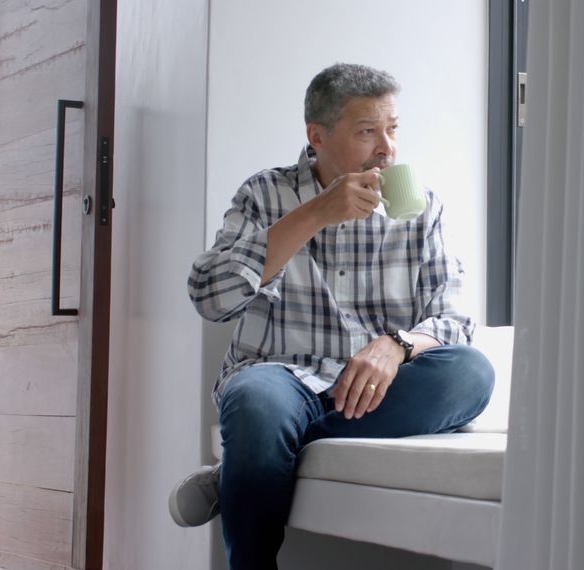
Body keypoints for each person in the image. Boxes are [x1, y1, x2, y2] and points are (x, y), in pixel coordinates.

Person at [169, 63, 495, 569]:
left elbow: (453, 319)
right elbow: (209, 296)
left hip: (377, 388)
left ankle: (247, 460)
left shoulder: (421, 208)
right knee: (255, 400)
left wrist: (398, 345)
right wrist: (316, 212)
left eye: (392, 129)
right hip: (281, 376)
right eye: (368, 132)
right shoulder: (265, 194)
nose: (387, 148)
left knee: (472, 373)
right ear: (316, 136)